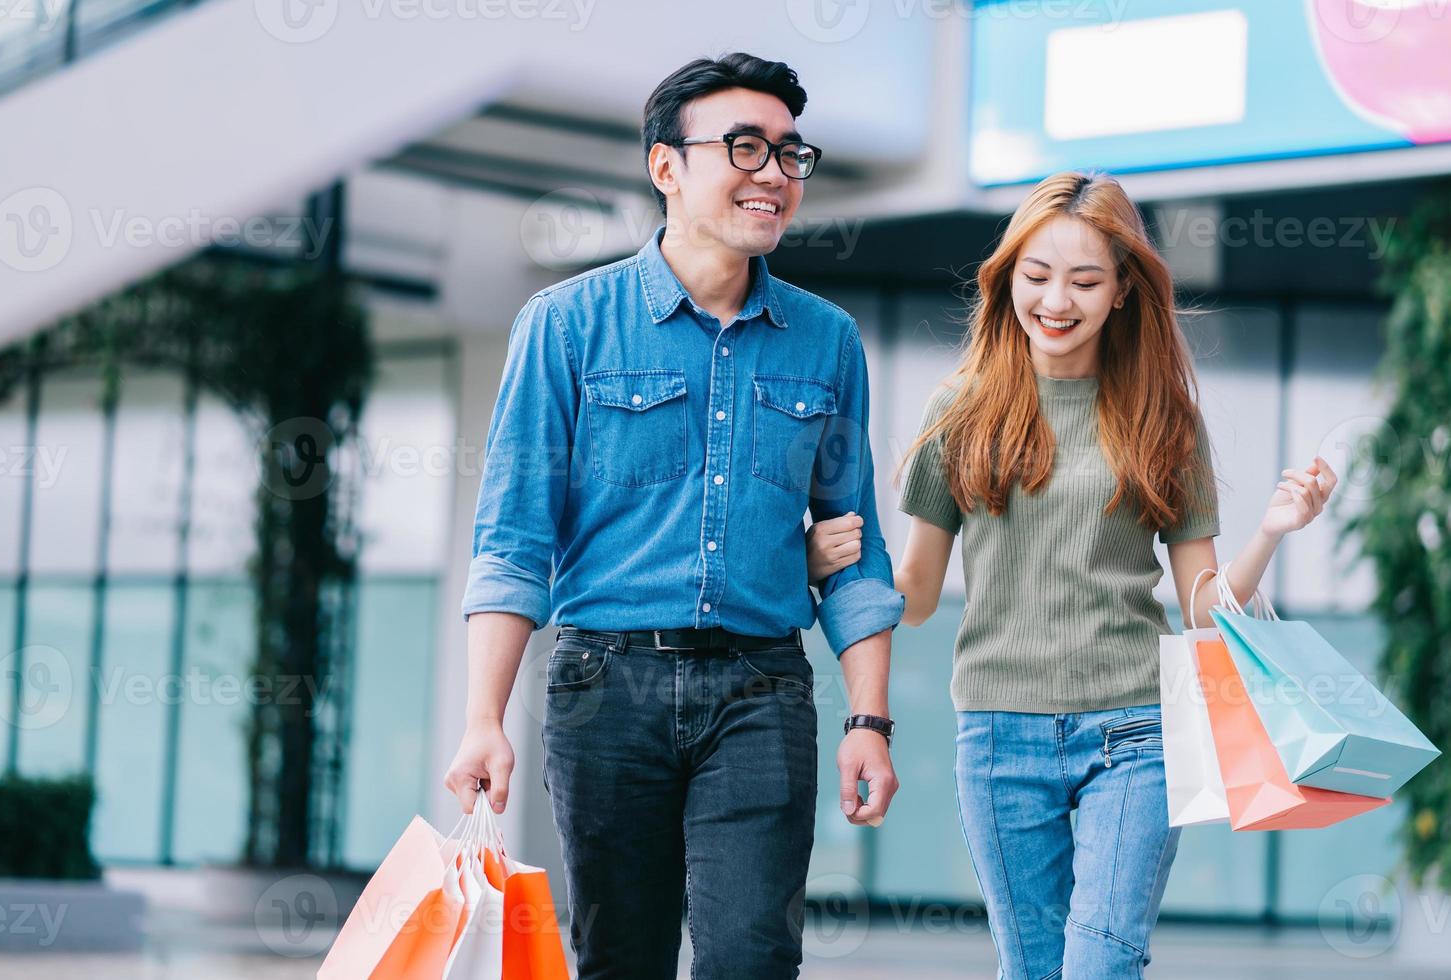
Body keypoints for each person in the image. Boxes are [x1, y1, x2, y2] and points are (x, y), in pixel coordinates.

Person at [444, 53, 905, 980]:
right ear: (666, 167)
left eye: (788, 153)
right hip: (605, 688)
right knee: (623, 957)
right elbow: (514, 537)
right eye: (743, 148)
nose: (772, 174)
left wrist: (870, 720)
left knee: (751, 956)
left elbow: (857, 553)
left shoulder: (827, 341)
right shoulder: (567, 325)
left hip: (762, 689)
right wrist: (482, 718)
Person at [806, 171, 1336, 977]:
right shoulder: (961, 409)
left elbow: (1201, 608)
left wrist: (1270, 531)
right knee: (1031, 967)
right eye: (1037, 274)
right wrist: (814, 560)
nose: (1056, 300)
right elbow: (912, 597)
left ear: (1123, 290)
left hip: (1135, 731)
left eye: (1085, 280)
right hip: (995, 735)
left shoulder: (1162, 414)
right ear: (1007, 276)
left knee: (1099, 963)